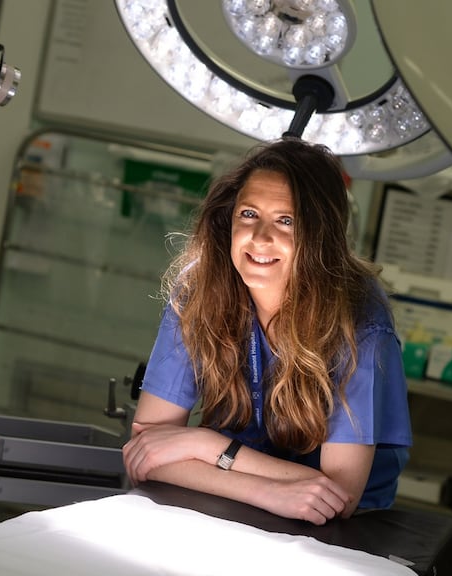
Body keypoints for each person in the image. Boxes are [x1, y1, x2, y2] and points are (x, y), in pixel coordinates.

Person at [122, 137, 412, 526]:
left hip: (342, 531)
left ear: (319, 237)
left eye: (286, 221)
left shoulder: (359, 319)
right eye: (248, 214)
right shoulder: (200, 289)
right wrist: (266, 490)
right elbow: (145, 451)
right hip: (231, 497)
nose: (260, 237)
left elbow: (336, 498)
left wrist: (201, 445)